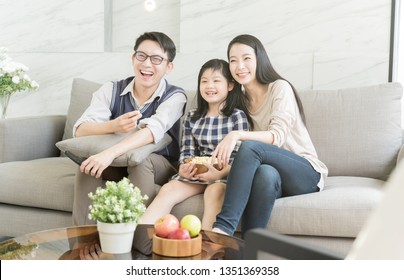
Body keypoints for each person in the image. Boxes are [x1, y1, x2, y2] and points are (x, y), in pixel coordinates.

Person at [211, 34, 328, 237]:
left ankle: (222, 229)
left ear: (259, 59)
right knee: (265, 174)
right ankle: (249, 253)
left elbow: (277, 136)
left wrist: (237, 135)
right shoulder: (240, 101)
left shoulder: (279, 88)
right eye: (233, 60)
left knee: (250, 146)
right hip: (274, 174)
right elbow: (245, 160)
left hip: (305, 172)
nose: (240, 66)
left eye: (247, 58)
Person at [72, 31, 187, 225]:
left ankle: (138, 244)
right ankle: (83, 244)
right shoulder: (111, 89)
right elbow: (80, 130)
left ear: (169, 67)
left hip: (158, 165)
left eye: (157, 59)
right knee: (88, 165)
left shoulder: (176, 97)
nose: (147, 64)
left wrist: (109, 153)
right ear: (133, 58)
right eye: (141, 56)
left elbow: (153, 131)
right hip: (118, 164)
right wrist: (112, 126)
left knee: (141, 161)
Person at [139, 59, 251, 230]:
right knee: (168, 189)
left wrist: (217, 173)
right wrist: (184, 167)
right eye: (204, 81)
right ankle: (138, 242)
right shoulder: (192, 117)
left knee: (214, 192)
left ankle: (208, 251)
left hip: (224, 173)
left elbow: (241, 158)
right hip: (197, 173)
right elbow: (187, 153)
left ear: (230, 85)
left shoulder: (237, 116)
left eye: (216, 80)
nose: (209, 86)